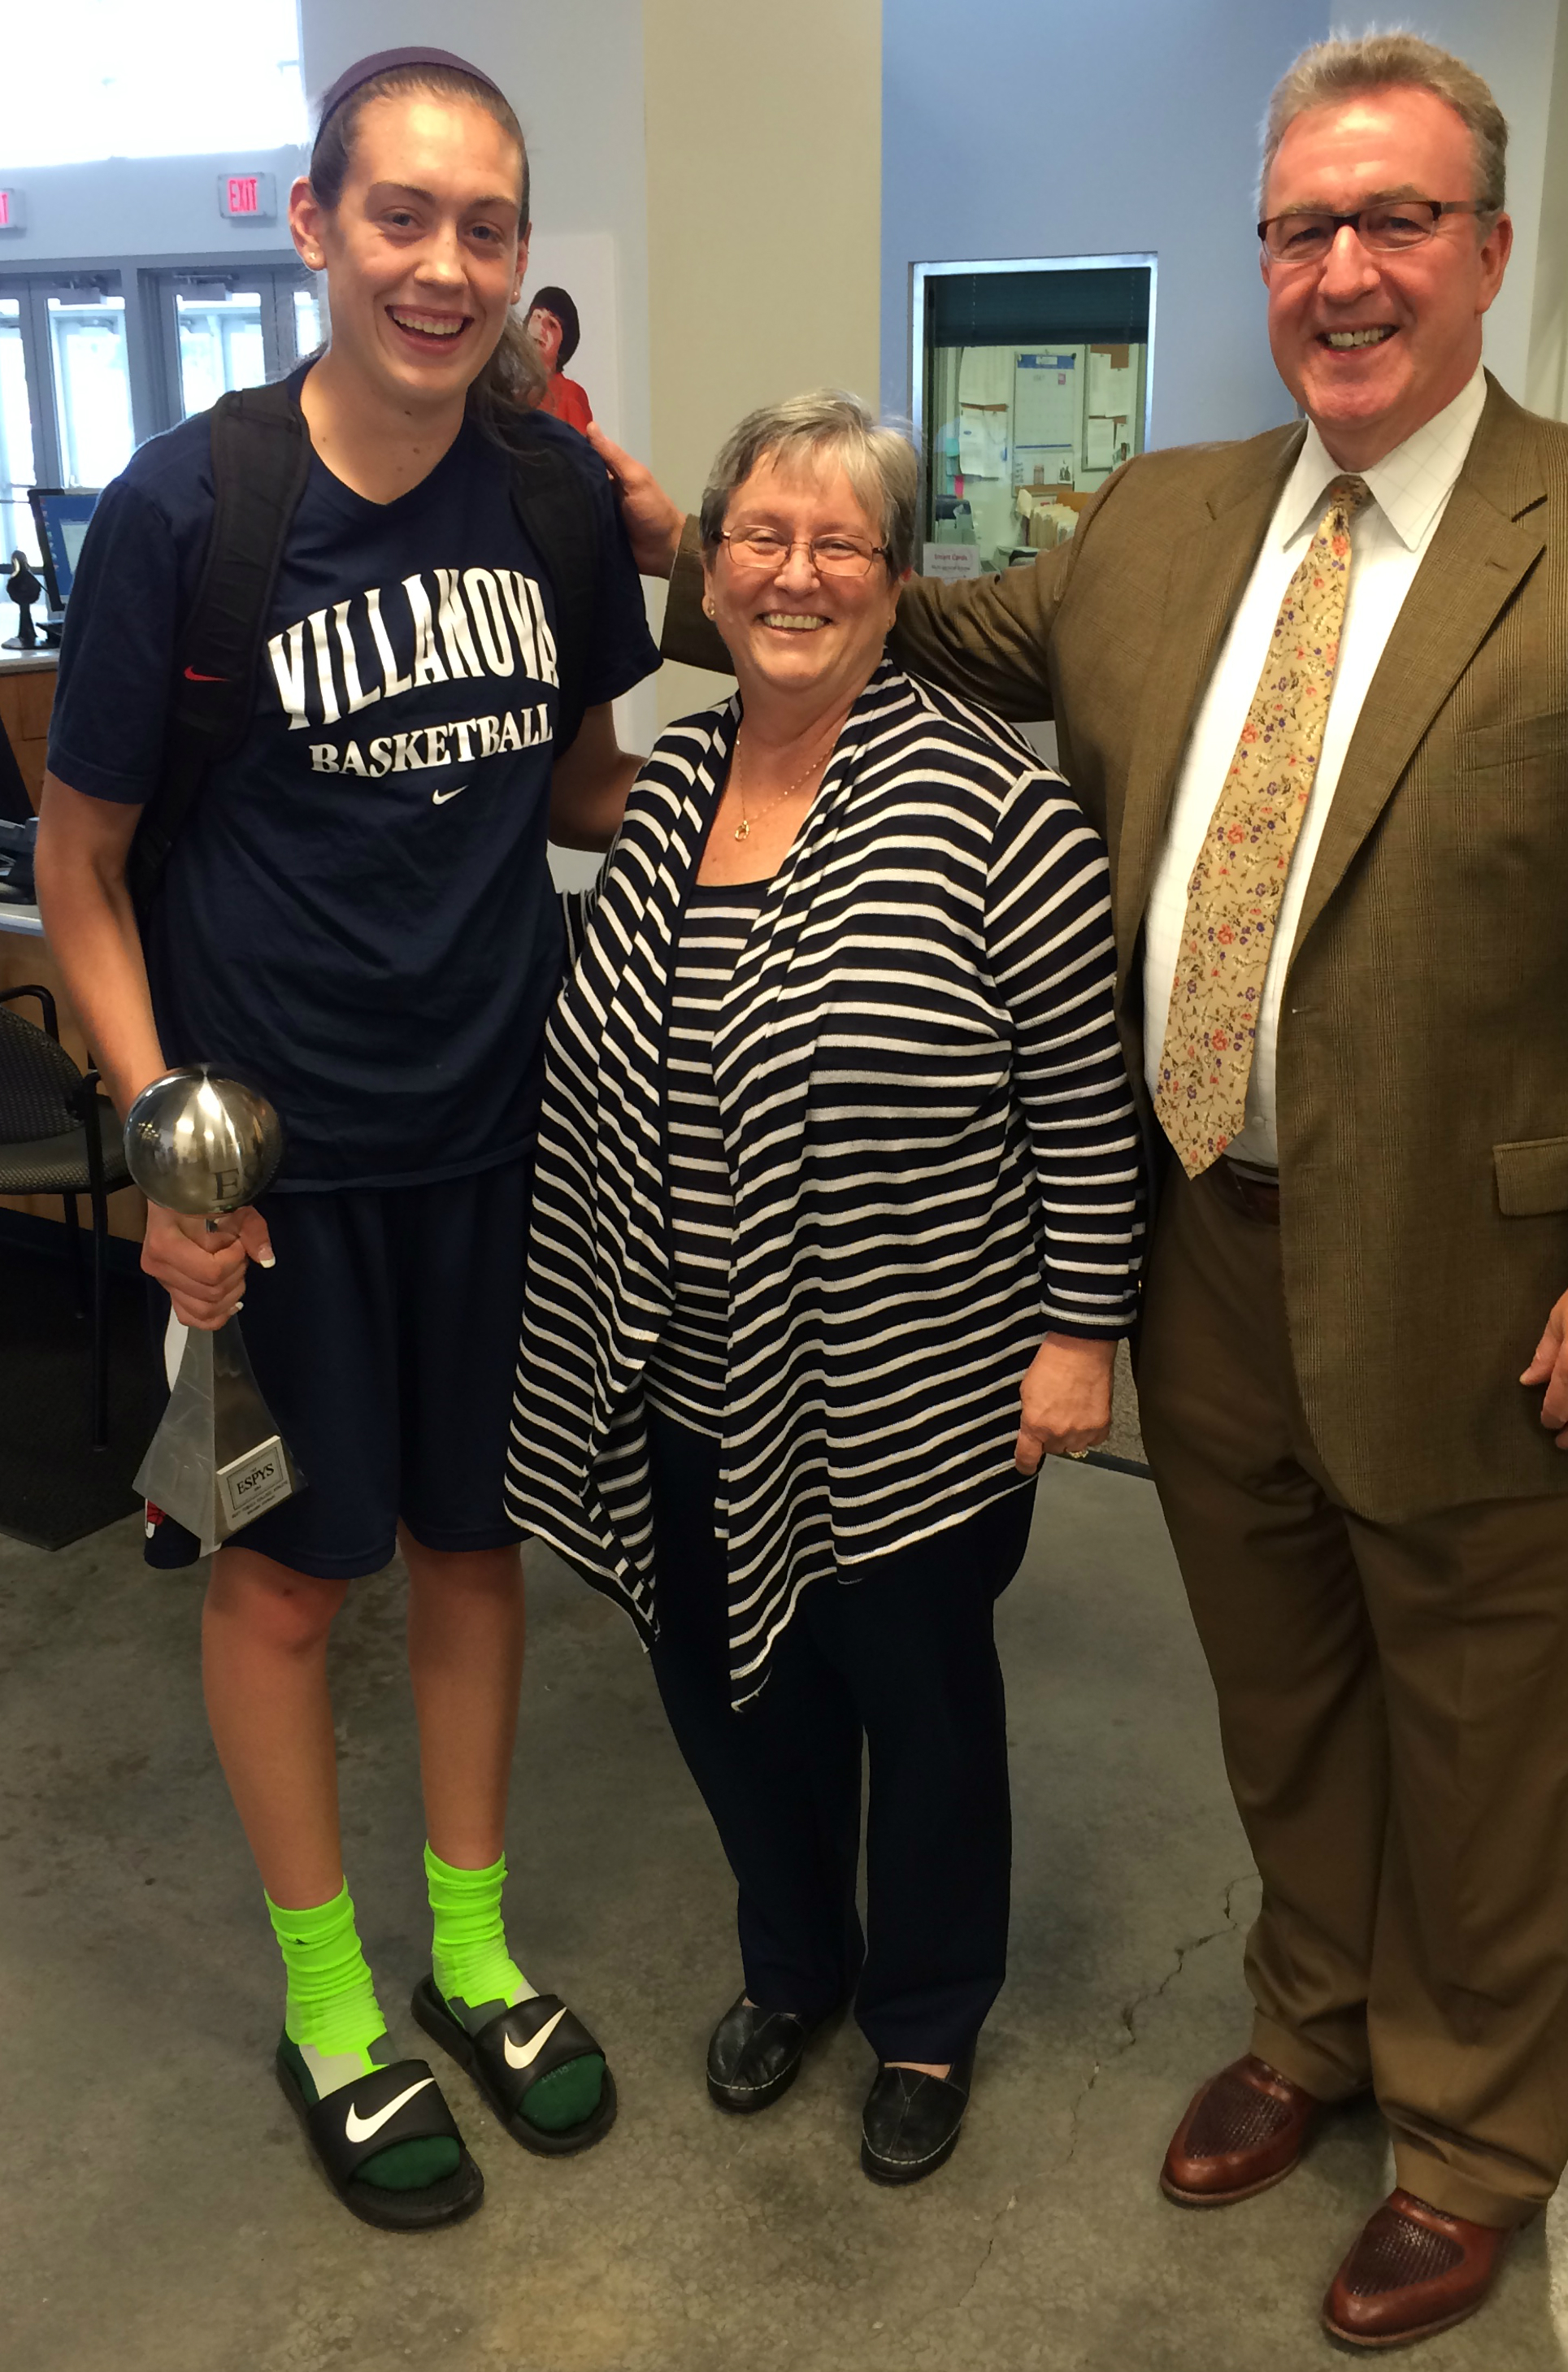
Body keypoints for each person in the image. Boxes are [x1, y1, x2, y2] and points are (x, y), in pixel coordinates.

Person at [601, 31, 1568, 2344]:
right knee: (1282, 1697)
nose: (1340, 270)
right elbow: (870, 614)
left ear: (1480, 247)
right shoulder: (1161, 522)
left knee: (1485, 1729)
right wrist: (652, 516)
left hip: (1497, 1285)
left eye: (1390, 223)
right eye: (1299, 228)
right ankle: (1317, 2020)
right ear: (1259, 253)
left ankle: (1467, 2135)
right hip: (1204, 1259)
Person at [35, 47, 658, 2232]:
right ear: (313, 229)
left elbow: (584, 788)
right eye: (400, 215)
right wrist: (164, 1153)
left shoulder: (559, 505)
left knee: (482, 1547)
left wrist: (777, 651)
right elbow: (86, 860)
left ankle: (471, 1952)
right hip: (277, 1183)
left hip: (504, 1136)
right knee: (297, 1582)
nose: (444, 261)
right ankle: (331, 2002)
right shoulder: (187, 517)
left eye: (485, 225)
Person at [506, 390, 1141, 2185]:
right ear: (709, 564)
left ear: (891, 574)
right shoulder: (676, 785)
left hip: (914, 1387)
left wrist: (1078, 1332)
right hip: (680, 1370)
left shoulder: (993, 803)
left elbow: (1084, 1102)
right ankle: (790, 1963)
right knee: (728, 1697)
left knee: (919, 1718)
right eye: (758, 537)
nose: (793, 574)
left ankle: (926, 2016)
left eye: (838, 542)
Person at [527, 286, 593, 431]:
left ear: (563, 343)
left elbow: (578, 451)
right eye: (537, 316)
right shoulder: (514, 396)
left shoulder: (571, 395)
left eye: (552, 324)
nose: (541, 327)